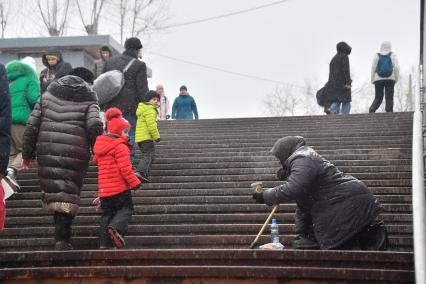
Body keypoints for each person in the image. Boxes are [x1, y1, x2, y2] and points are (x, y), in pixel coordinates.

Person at [252, 136, 387, 250]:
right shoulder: (303, 158)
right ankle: (370, 237)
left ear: (284, 151)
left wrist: (265, 195)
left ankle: (373, 234)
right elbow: (303, 205)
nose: (278, 162)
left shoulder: (302, 157)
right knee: (339, 241)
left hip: (349, 201)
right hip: (343, 202)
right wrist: (302, 235)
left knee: (346, 240)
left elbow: (294, 188)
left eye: (278, 158)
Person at [22, 67, 103, 250]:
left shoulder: (47, 96)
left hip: (47, 148)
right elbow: (95, 125)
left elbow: (31, 126)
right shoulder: (90, 98)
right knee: (69, 190)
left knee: (55, 189)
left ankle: (60, 233)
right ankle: (63, 236)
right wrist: (97, 149)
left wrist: (27, 154)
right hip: (75, 151)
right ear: (87, 82)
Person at [93, 107, 141, 249]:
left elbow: (95, 160)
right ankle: (116, 228)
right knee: (127, 208)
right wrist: (135, 183)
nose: (127, 135)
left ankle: (104, 243)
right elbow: (125, 168)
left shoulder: (102, 146)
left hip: (105, 191)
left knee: (107, 214)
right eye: (125, 132)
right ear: (116, 132)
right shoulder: (121, 147)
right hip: (120, 188)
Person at [104, 37, 149, 164]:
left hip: (112, 108)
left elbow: (103, 84)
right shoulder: (139, 65)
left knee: (113, 135)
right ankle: (127, 163)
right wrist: (146, 109)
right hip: (130, 107)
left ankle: (113, 162)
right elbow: (142, 89)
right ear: (137, 49)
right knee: (129, 134)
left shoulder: (110, 62)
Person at [5, 59, 40, 191]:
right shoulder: (29, 81)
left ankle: (8, 178)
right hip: (22, 121)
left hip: (5, 123)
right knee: (27, 150)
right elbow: (34, 100)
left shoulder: (6, 83)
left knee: (12, 153)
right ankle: (12, 170)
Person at [135, 90, 161, 183]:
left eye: (157, 100)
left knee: (149, 155)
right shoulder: (150, 110)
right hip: (146, 137)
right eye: (154, 99)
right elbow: (151, 125)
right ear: (148, 100)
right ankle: (140, 172)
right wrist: (156, 136)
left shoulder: (143, 109)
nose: (156, 101)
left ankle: (144, 174)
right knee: (148, 155)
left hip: (140, 138)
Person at [369, 41, 400, 113]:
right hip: (390, 79)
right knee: (389, 97)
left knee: (378, 97)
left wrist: (372, 79)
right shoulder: (392, 55)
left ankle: (372, 110)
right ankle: (389, 112)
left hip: (378, 79)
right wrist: (396, 78)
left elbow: (373, 68)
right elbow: (396, 67)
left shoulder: (377, 55)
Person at [325, 42, 352, 115]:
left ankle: (331, 109)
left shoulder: (334, 59)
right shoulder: (344, 56)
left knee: (338, 99)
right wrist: (348, 83)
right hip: (343, 83)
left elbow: (331, 73)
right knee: (346, 101)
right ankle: (344, 115)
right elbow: (346, 70)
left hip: (334, 84)